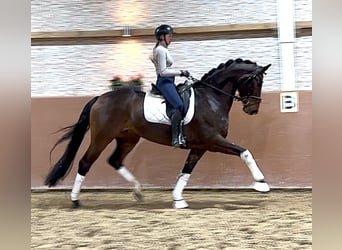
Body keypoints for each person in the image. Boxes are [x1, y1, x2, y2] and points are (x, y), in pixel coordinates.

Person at [151, 24, 190, 147]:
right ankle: (175, 138)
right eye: (169, 35)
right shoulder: (160, 50)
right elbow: (162, 72)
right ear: (162, 37)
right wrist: (181, 72)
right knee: (178, 105)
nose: (171, 38)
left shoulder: (163, 50)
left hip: (170, 81)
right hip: (164, 82)